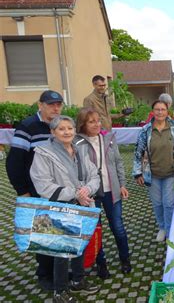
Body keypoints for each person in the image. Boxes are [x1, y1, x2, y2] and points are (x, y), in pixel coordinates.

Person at [30, 116, 100, 302]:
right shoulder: (43, 153)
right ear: (53, 132)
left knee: (80, 245)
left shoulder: (80, 149)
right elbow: (43, 185)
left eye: (70, 128)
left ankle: (78, 280)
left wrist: (87, 190)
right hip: (60, 208)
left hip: (83, 205)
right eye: (61, 129)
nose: (67, 132)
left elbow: (94, 174)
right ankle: (59, 292)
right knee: (61, 252)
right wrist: (74, 193)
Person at [6, 90, 64, 291]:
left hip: (60, 192)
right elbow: (14, 162)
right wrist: (22, 191)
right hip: (36, 192)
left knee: (61, 232)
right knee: (43, 234)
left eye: (58, 104)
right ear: (40, 105)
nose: (55, 108)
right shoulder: (28, 126)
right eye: (51, 104)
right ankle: (45, 274)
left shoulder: (61, 125)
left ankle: (61, 271)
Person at [75, 108, 131, 279]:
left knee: (118, 227)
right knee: (95, 230)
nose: (97, 124)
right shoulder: (77, 143)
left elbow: (119, 163)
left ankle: (125, 259)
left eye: (98, 120)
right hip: (91, 195)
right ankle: (101, 264)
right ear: (83, 124)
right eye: (91, 121)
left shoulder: (109, 139)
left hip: (111, 191)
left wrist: (122, 184)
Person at [133, 100, 174, 241]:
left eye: (163, 109)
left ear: (167, 111)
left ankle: (171, 230)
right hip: (152, 174)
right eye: (157, 109)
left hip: (171, 172)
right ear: (153, 111)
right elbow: (138, 152)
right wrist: (138, 172)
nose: (160, 112)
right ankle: (162, 227)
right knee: (157, 203)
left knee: (169, 203)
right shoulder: (146, 130)